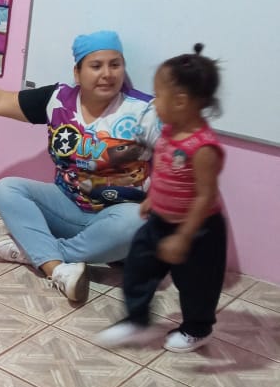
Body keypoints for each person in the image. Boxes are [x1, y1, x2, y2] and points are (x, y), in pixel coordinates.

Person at [0, 30, 160, 303]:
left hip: (115, 219)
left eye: (115, 65)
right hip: (65, 206)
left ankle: (38, 253)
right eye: (96, 66)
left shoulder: (144, 111)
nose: (107, 74)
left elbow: (178, 162)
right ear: (77, 73)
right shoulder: (58, 100)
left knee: (140, 222)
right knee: (7, 189)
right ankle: (57, 269)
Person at [96, 45, 226, 353]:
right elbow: (166, 171)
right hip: (159, 221)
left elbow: (205, 196)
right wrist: (153, 197)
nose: (154, 102)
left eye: (158, 95)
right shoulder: (168, 131)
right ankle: (137, 320)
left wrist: (183, 237)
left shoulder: (203, 147)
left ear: (180, 101)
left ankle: (197, 329)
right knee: (138, 267)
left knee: (197, 285)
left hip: (198, 230)